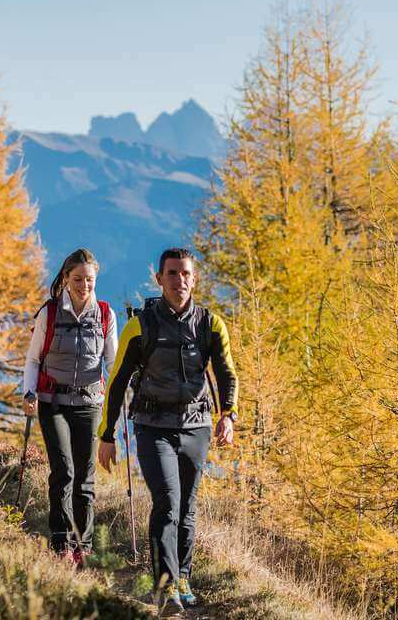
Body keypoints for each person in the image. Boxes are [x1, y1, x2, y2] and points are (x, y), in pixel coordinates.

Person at [96, 247, 238, 615]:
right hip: (152, 427)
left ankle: (184, 575)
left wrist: (229, 415)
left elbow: (226, 373)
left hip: (197, 426)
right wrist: (107, 435)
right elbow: (117, 382)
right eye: (172, 274)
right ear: (159, 279)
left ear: (195, 278)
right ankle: (165, 588)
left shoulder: (210, 323)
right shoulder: (141, 325)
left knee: (187, 507)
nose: (180, 280)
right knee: (168, 503)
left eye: (186, 273)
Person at [19, 247, 116, 567]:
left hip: (89, 403)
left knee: (85, 476)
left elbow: (113, 363)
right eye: (77, 279)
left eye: (89, 279)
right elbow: (33, 360)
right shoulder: (49, 313)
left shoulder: (105, 314)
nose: (83, 285)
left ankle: (82, 544)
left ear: (95, 280)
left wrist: (120, 398)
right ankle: (60, 542)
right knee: (64, 471)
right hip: (53, 402)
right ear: (65, 278)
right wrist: (29, 393)